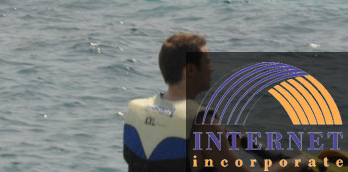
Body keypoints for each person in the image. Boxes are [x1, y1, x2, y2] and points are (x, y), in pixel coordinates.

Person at [123, 34, 309, 171]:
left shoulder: (137, 109)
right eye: (207, 62)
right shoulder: (203, 123)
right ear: (191, 70)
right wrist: (294, 163)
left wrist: (235, 139)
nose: (212, 69)